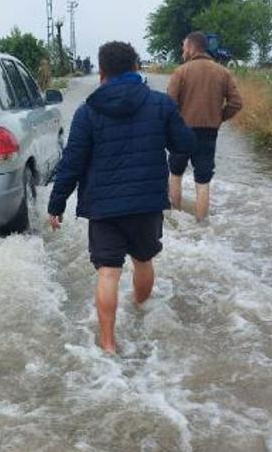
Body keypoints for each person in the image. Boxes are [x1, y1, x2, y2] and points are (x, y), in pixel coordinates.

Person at [48, 41, 194, 354]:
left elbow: (72, 162)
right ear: (136, 68)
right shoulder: (160, 104)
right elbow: (184, 143)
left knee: (108, 272)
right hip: (146, 203)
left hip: (103, 208)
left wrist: (56, 204)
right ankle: (140, 312)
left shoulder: (87, 112)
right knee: (143, 262)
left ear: (101, 72)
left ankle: (108, 343)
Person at [166, 31, 243, 221]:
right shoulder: (222, 72)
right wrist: (218, 118)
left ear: (192, 47)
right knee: (203, 181)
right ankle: (201, 227)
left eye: (184, 47)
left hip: (182, 132)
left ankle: (177, 222)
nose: (182, 51)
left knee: (175, 174)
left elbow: (169, 105)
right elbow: (236, 103)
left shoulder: (180, 72)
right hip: (209, 132)